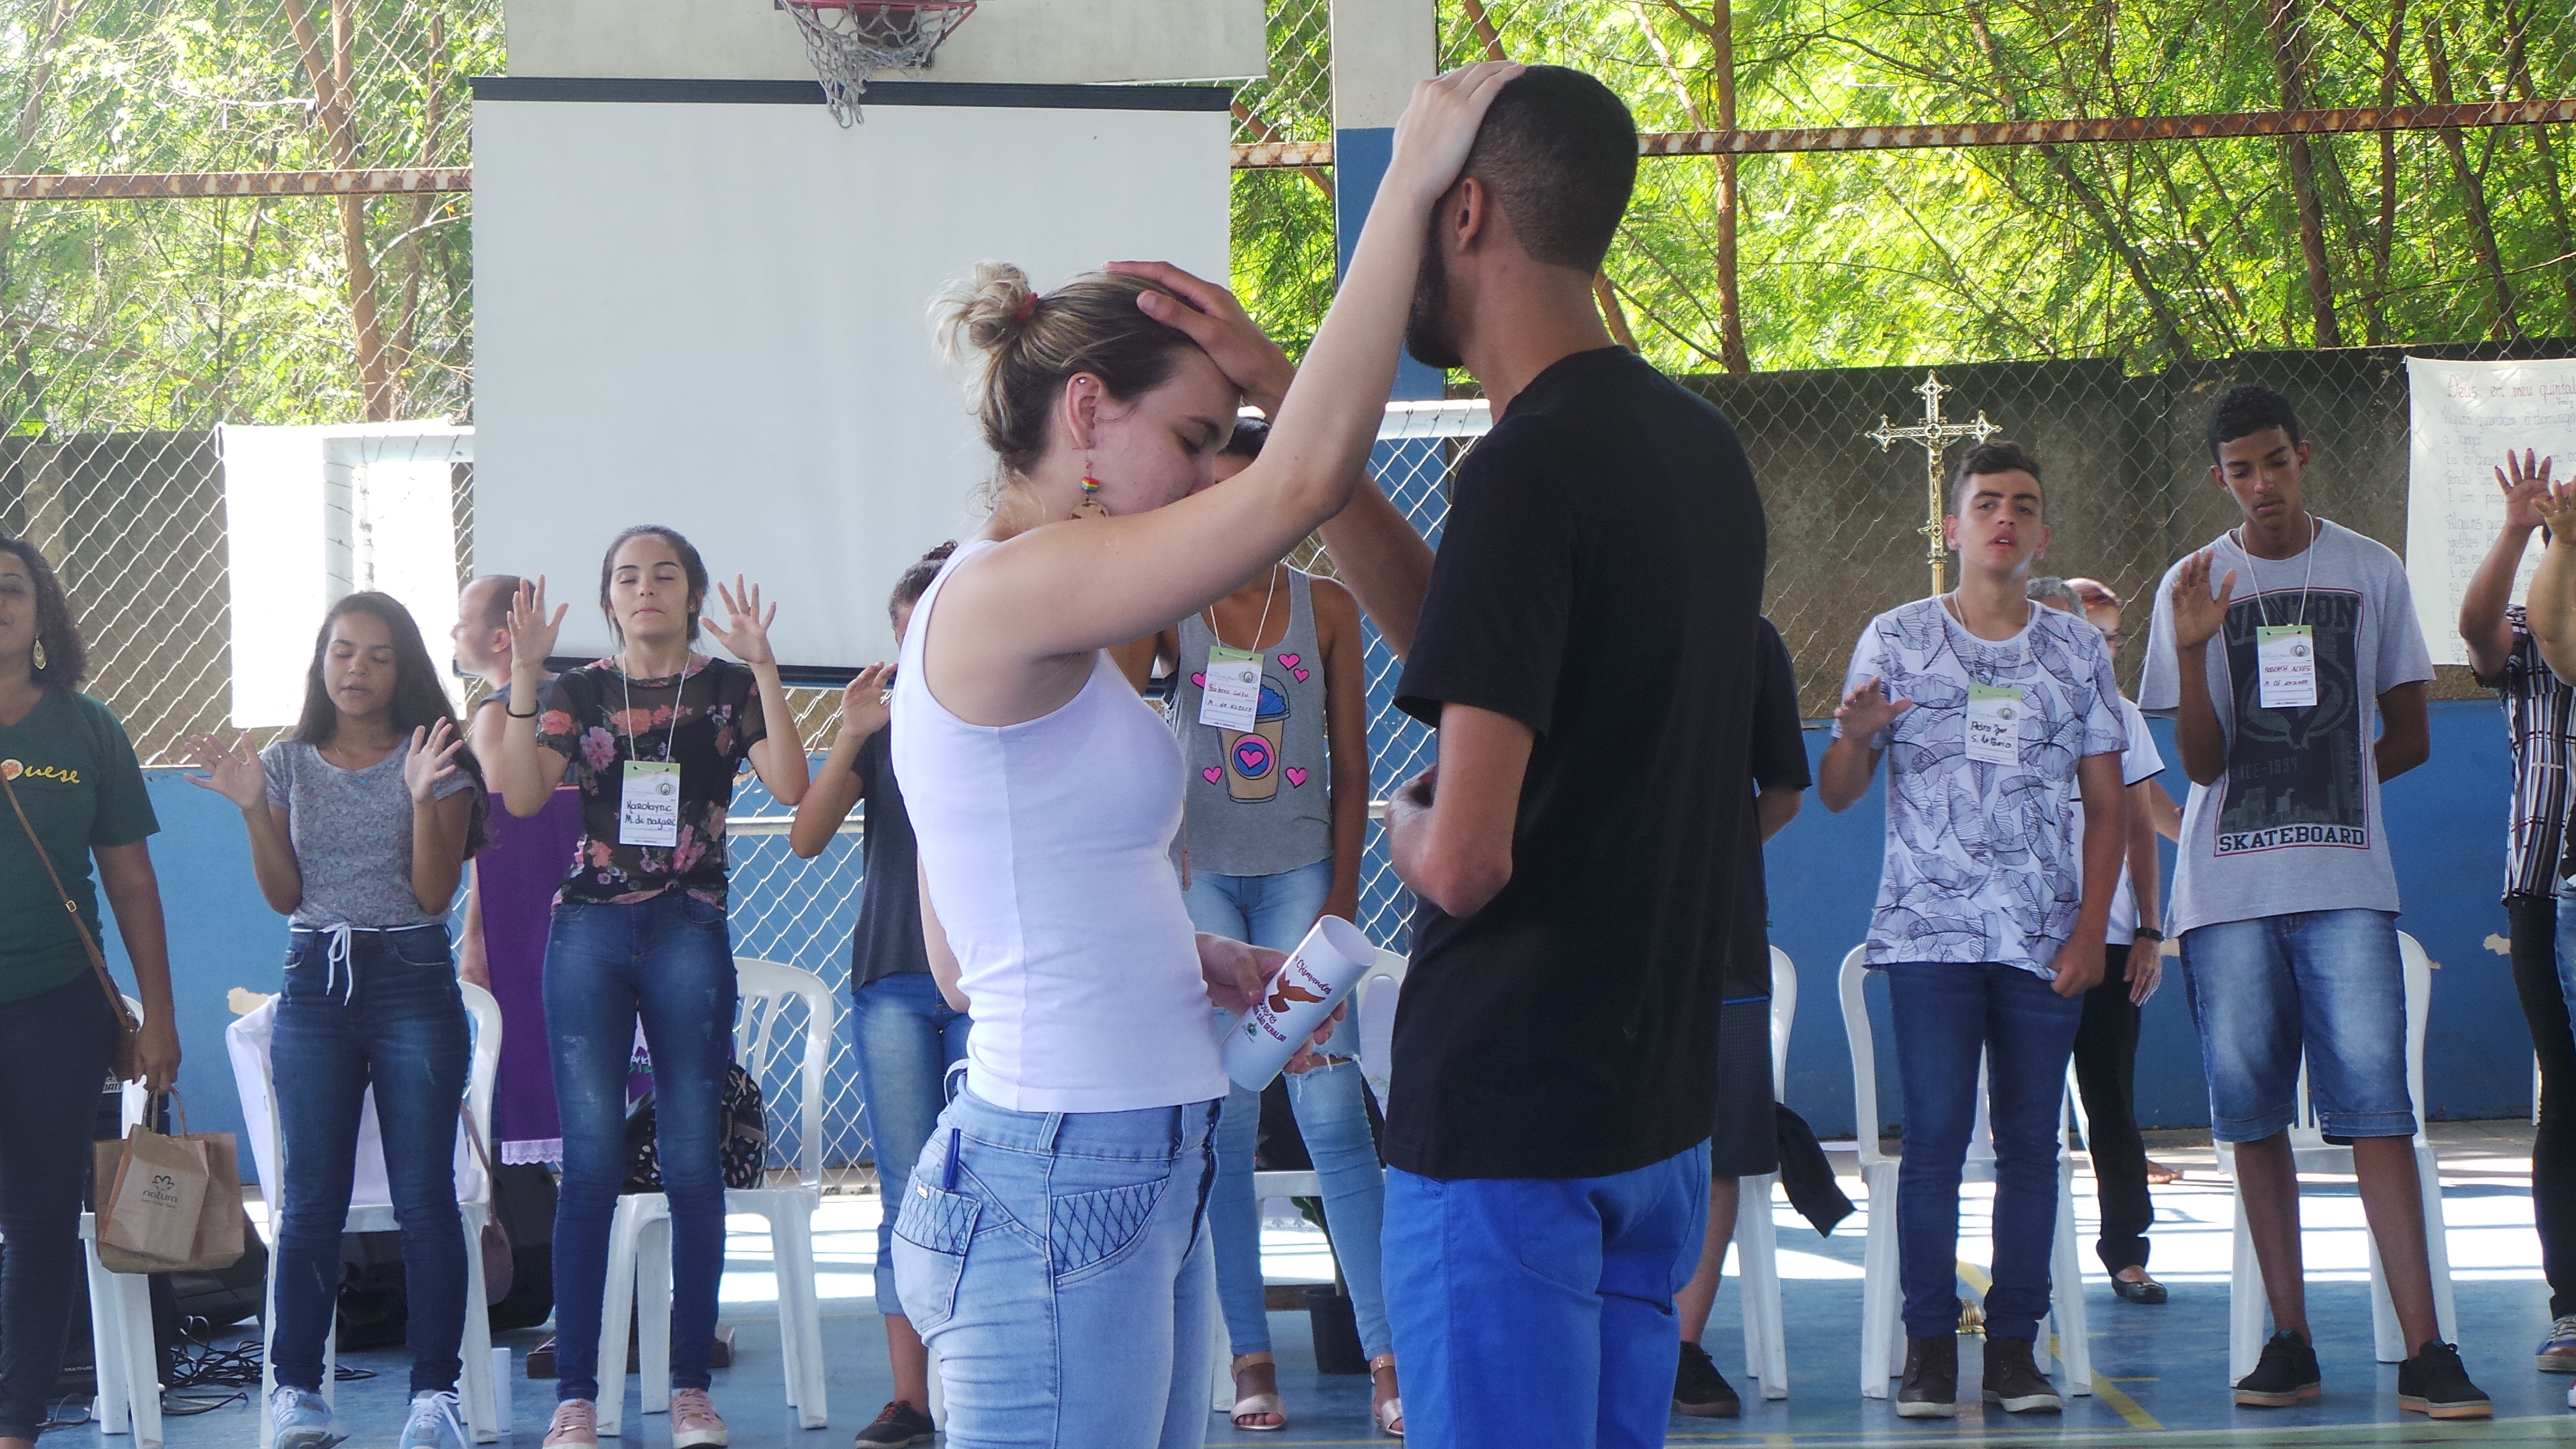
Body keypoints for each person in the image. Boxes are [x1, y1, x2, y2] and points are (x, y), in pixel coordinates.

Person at [885, 61, 1517, 1448]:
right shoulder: (1010, 591)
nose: (1202, 476)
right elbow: (1301, 481)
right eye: (1188, 437)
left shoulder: (1056, 609)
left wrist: (1192, 956)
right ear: (1086, 413)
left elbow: (1006, 921)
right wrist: (1404, 187)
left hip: (1124, 1162)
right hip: (1060, 1178)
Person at [1290, 64, 1773, 1445]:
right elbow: (1476, 638)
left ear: (1465, 214)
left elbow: (1463, 863)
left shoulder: (1522, 468)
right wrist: (1303, 432)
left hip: (1510, 1119)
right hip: (1649, 1110)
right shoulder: (1697, 447)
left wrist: (1404, 820)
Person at [2142, 383, 2485, 1417]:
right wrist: (2194, 647)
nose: (2262, 485)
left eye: (2275, 463)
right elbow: (2200, 765)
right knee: (2251, 1118)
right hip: (2227, 893)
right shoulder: (2192, 582)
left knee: (2379, 1111)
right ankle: (2289, 1341)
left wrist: (2326, 784)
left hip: (2344, 887)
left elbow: (2411, 734)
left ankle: (2428, 1350)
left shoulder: (2370, 570)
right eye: (2240, 470)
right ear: (2220, 480)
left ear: (2305, 457)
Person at [1819, 443, 2126, 1419]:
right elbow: (1837, 793)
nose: (2004, 518)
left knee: (2032, 1147)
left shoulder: (2076, 650)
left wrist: (2092, 930)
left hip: (2043, 940)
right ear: (1952, 527)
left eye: (2023, 505)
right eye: (1986, 503)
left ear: (2042, 534)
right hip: (1927, 937)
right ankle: (1926, 1352)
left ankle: (2013, 1351)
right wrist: (1853, 735)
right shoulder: (1896, 637)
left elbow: (2109, 807)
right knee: (1936, 1142)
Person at [493, 529, 813, 1449]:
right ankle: (576, 1399)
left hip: (689, 928)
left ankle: (689, 1393)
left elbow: (791, 784)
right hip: (588, 933)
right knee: (591, 1163)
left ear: (693, 594)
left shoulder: (727, 688)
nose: (646, 588)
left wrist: (766, 667)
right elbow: (520, 795)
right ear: (608, 599)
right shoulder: (578, 692)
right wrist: (524, 672)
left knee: (690, 1160)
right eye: (627, 576)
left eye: (664, 574)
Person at [186, 592, 488, 1449]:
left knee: (425, 1196)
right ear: (321, 661)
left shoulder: (438, 755)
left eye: (379, 656)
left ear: (405, 669)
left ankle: (434, 1398)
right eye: (343, 651)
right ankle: (297, 1394)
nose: (357, 669)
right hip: (316, 980)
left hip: (411, 977)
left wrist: (423, 797)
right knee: (310, 1199)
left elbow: (432, 896)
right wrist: (253, 808)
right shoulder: (287, 762)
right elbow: (285, 895)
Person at [1147, 418, 1393, 1435]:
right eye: (1210, 492)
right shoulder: (1169, 605)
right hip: (1203, 883)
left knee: (1333, 1116)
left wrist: (1338, 901)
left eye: (1248, 491)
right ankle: (1249, 1356)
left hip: (1300, 884)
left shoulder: (1324, 606)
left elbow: (1351, 767)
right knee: (1228, 1121)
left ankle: (1387, 1356)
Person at [0, 536, 181, 1449]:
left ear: (42, 612)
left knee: (38, 1221)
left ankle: (15, 1424)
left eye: (10, 588)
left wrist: (160, 1017)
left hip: (57, 1005)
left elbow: (132, 883)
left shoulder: (88, 728)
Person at [786, 543, 959, 1449]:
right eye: (905, 634)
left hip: (987, 986)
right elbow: (805, 837)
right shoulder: (884, 728)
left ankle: (984, 1377)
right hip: (893, 980)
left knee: (991, 1179)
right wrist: (851, 732)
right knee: (907, 1186)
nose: (918, 648)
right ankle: (910, 1398)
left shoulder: (1011, 710)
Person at [1672, 616, 1808, 1418]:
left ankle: (1680, 1348)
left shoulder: (1747, 639)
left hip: (1719, 939)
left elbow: (1784, 791)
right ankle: (1600, 1332)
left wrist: (1702, 864)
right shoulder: (1575, 617)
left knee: (1717, 1145)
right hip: (1590, 940)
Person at [2029, 575, 2172, 1304]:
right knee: (2021, 1116)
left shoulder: (2120, 714)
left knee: (2110, 1103)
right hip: (2020, 943)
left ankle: (2126, 1252)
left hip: (2109, 940)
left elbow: (2142, 827)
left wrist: (2149, 929)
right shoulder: (1998, 708)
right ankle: (2022, 1262)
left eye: (2086, 635)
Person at [2481, 449, 2576, 1381]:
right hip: (2544, 887)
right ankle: (2570, 1303)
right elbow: (2491, 633)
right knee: (2566, 1090)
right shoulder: (2526, 621)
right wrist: (2527, 534)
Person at [452, 574, 584, 1166]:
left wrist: (476, 937)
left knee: (525, 1068)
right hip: (592, 913)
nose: (453, 633)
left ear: (502, 637)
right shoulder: (583, 697)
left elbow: (500, 839)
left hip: (531, 924)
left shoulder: (499, 714)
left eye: (463, 622)